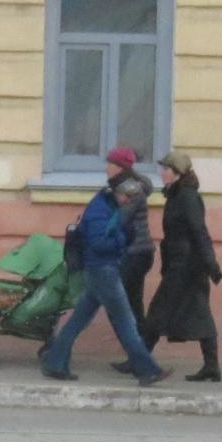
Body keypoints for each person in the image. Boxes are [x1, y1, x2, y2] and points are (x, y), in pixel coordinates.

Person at [42, 147, 170, 386]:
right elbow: (99, 243)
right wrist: (124, 240)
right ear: (117, 192)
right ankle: (147, 370)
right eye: (126, 196)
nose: (128, 200)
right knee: (126, 321)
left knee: (79, 319)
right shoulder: (101, 209)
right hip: (103, 269)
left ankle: (55, 362)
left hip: (100, 269)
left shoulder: (109, 204)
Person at [141, 151, 222, 383]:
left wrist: (211, 263)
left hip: (186, 265)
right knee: (198, 313)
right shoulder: (177, 194)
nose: (162, 173)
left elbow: (199, 231)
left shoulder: (187, 197)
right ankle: (211, 366)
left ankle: (140, 360)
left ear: (177, 173)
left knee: (158, 311)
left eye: (166, 169)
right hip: (182, 263)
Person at [104, 147, 155, 373]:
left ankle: (139, 357)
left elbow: (119, 220)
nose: (106, 168)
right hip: (137, 253)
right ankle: (138, 357)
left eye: (110, 164)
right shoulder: (122, 187)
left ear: (120, 167)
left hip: (134, 254)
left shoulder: (131, 190)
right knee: (131, 306)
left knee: (119, 306)